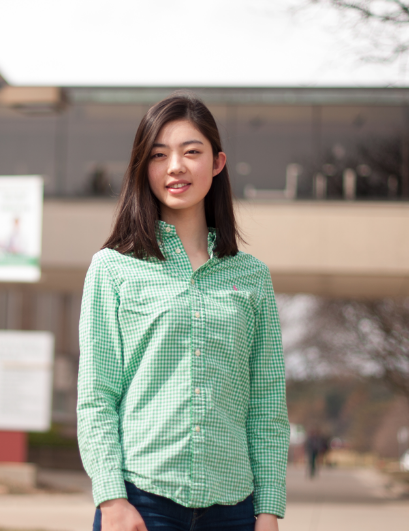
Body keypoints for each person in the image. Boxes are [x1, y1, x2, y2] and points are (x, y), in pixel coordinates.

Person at [77, 94, 289, 531]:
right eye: (159, 155)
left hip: (234, 509)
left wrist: (267, 511)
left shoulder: (251, 278)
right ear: (144, 167)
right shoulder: (113, 269)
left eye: (191, 152)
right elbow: (97, 397)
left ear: (217, 163)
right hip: (141, 501)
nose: (175, 166)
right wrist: (112, 499)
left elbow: (267, 406)